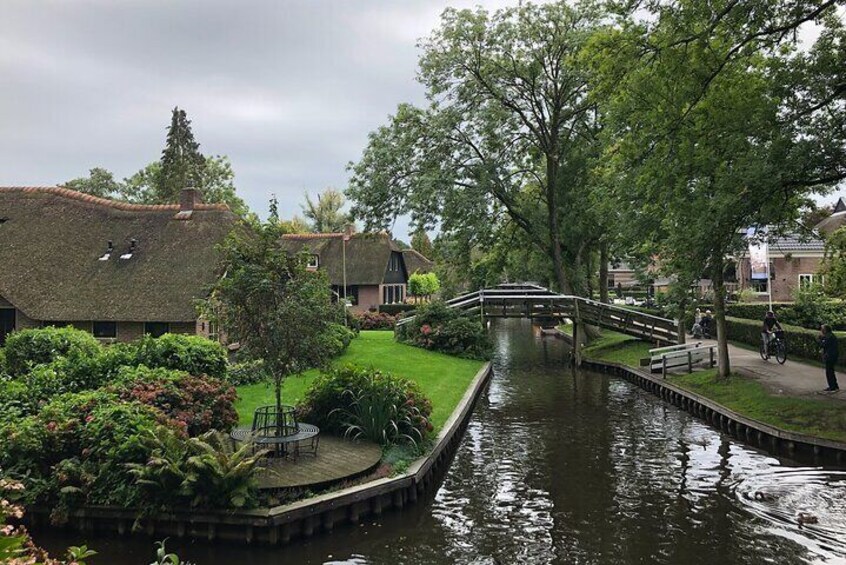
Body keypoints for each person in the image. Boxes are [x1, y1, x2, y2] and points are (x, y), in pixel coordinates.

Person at [818, 325, 839, 392]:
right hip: (832, 355)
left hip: (830, 356)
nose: (821, 331)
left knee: (829, 371)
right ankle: (834, 386)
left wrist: (820, 339)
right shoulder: (830, 336)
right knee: (831, 371)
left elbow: (823, 345)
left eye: (822, 329)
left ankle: (832, 387)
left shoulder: (829, 336)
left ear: (825, 330)